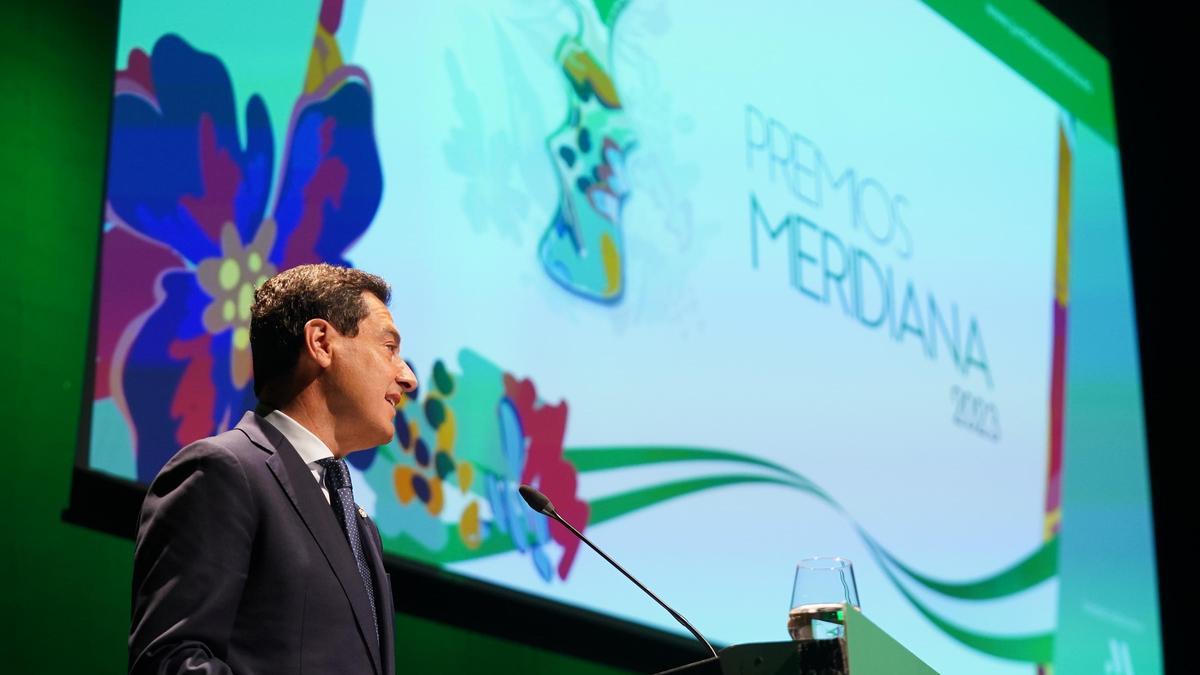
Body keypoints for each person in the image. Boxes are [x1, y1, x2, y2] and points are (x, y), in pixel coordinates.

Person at [129, 264, 418, 675]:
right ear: (321, 342)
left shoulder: (358, 526)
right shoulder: (223, 472)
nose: (408, 378)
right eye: (389, 347)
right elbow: (173, 661)